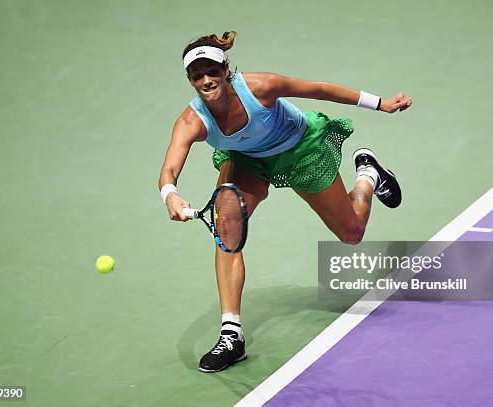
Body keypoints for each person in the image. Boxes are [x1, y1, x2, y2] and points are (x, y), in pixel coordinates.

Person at [158, 31, 412, 373]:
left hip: (300, 150)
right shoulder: (191, 120)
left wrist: (381, 103)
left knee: (351, 233)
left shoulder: (260, 87)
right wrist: (170, 194)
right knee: (226, 224)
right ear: (190, 80)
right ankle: (231, 335)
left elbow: (320, 89)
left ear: (225, 68)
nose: (206, 80)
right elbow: (170, 166)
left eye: (211, 71)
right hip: (249, 159)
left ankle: (367, 175)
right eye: (197, 75)